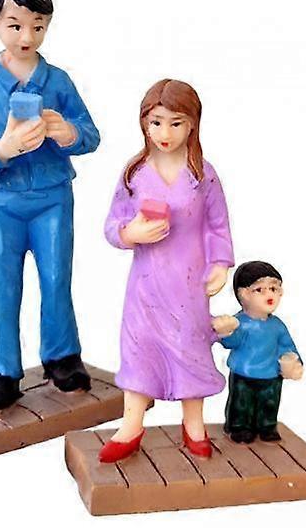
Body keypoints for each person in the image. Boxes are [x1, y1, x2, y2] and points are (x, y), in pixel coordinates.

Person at [0, 0, 100, 411]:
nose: (27, 36)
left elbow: (91, 134)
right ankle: (0, 371)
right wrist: (0, 149)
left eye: (38, 26)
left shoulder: (58, 81)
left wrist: (68, 132)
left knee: (56, 278)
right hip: (2, 202)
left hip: (53, 198)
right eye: (15, 25)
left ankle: (62, 356)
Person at [99, 79, 234, 463]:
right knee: (139, 347)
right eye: (156, 122)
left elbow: (218, 225)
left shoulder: (202, 174)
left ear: (192, 125)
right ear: (144, 122)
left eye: (176, 123)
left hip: (188, 282)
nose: (165, 133)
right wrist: (130, 233)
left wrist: (220, 263)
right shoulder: (135, 173)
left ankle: (194, 425)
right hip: (146, 284)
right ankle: (131, 425)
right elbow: (113, 224)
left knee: (190, 347)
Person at [212, 261, 304, 444]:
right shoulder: (240, 323)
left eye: (273, 288)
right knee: (241, 403)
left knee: (269, 403)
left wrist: (293, 361)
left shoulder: (277, 326)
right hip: (244, 373)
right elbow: (231, 342)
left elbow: (287, 345)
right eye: (260, 290)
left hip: (271, 374)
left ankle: (267, 427)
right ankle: (240, 427)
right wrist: (226, 332)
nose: (269, 295)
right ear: (243, 294)